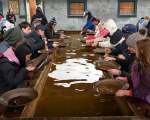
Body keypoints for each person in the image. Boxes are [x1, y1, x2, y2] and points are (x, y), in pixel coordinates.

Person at [115, 38, 150, 105]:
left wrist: (126, 92)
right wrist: (126, 79)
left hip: (146, 99)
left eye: (136, 50)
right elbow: (137, 77)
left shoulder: (147, 70)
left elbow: (145, 90)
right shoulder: (141, 63)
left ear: (141, 51)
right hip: (139, 94)